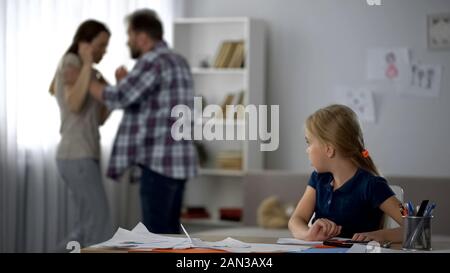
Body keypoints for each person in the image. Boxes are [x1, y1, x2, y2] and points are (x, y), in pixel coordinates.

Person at [89, 9, 197, 234]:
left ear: (142, 37)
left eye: (129, 36)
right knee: (170, 237)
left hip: (158, 164)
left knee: (156, 238)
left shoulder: (152, 61)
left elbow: (119, 98)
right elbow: (156, 104)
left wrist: (90, 82)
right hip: (180, 163)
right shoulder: (178, 60)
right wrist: (126, 83)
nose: (128, 42)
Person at [288, 104, 403, 243]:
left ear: (329, 149)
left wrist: (381, 236)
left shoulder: (372, 185)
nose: (307, 150)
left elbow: (416, 228)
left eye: (309, 142)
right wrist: (308, 234)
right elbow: (295, 220)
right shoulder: (318, 179)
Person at [49, 19, 113, 248]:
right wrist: (87, 64)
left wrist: (112, 95)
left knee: (86, 226)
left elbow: (98, 120)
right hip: (75, 155)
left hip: (84, 155)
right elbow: (74, 104)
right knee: (100, 224)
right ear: (85, 43)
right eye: (101, 45)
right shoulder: (71, 63)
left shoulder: (90, 72)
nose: (104, 51)